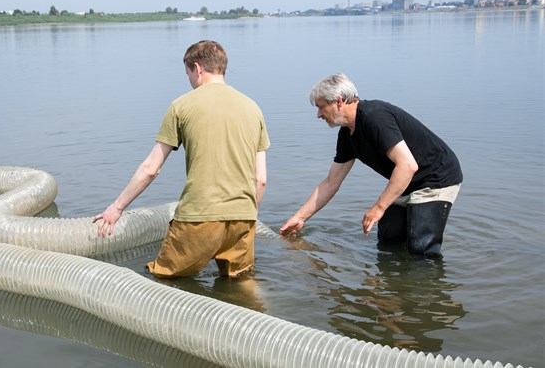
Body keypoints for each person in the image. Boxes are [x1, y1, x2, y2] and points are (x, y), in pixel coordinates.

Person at [93, 40, 270, 277]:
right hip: (244, 217)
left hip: (199, 216)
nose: (189, 80)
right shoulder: (253, 108)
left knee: (161, 282)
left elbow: (151, 168)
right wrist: (245, 214)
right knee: (241, 284)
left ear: (197, 68)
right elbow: (261, 180)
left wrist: (116, 208)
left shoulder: (182, 105)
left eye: (187, 73)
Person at [280, 73, 462, 257]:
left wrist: (379, 207)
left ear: (339, 101)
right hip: (405, 181)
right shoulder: (346, 134)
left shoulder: (375, 117)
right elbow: (331, 182)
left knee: (421, 251)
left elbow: (407, 165)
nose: (318, 115)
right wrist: (300, 218)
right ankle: (389, 284)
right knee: (388, 241)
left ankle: (422, 282)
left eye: (321, 107)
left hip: (435, 177)